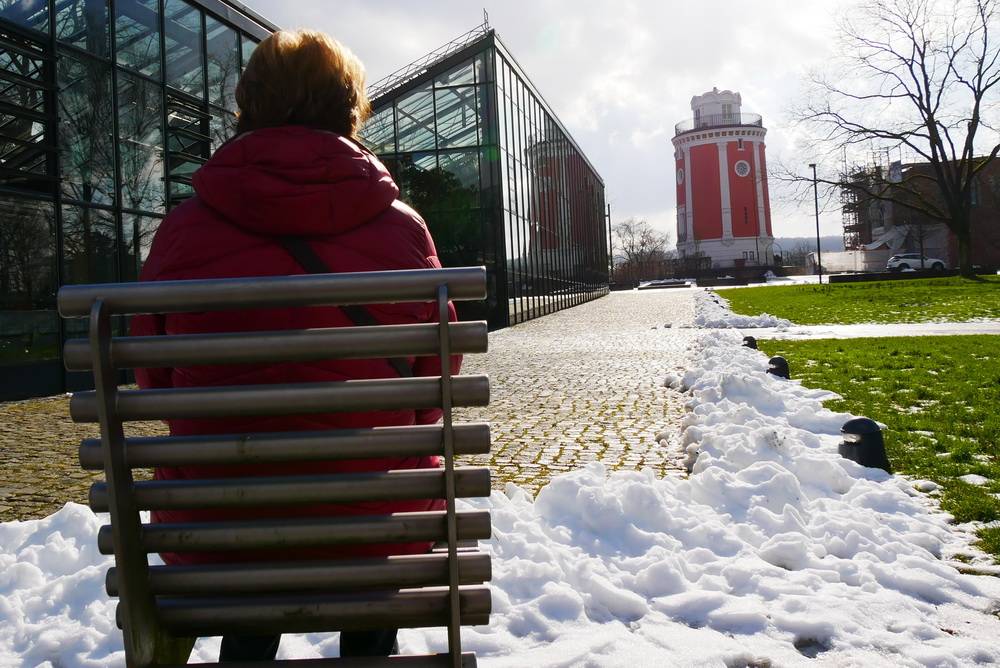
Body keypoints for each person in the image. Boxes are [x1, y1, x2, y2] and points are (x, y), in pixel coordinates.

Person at [131, 29, 460, 662]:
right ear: (348, 106)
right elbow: (434, 383)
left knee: (247, 528)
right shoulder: (401, 230)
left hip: (221, 524)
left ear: (248, 103)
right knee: (372, 520)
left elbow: (157, 382)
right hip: (373, 524)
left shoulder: (186, 228)